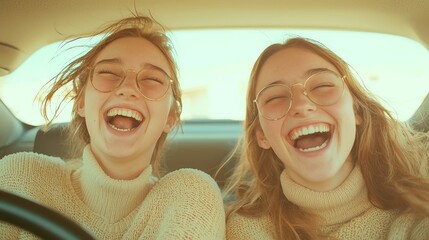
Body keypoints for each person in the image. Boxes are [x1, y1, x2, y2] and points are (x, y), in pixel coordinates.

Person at [0, 16, 225, 239]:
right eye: (109, 73)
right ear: (81, 102)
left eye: (153, 80)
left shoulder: (190, 196)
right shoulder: (20, 178)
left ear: (170, 117)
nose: (128, 88)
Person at [224, 37, 429, 239]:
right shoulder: (246, 230)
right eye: (275, 98)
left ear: (356, 111)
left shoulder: (417, 212)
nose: (301, 106)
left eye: (323, 86)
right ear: (261, 136)